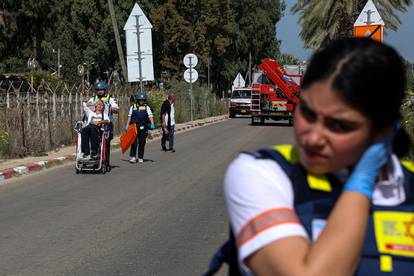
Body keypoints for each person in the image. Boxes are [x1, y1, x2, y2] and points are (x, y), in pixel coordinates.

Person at [213, 38, 414, 276]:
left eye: (339, 125)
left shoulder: (406, 186)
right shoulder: (262, 174)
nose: (314, 138)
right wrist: (363, 179)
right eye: (307, 112)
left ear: (382, 129)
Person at [88, 81, 119, 163]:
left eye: (101, 89)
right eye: (98, 90)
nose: (100, 91)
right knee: (94, 141)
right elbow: (88, 107)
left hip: (106, 124)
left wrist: (110, 108)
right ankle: (96, 158)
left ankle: (106, 161)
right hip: (95, 123)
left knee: (106, 143)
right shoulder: (93, 99)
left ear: (105, 90)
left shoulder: (110, 99)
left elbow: (116, 109)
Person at [125, 91, 155, 163]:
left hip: (143, 126)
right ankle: (133, 157)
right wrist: (127, 125)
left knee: (142, 142)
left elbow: (150, 116)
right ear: (137, 100)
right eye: (140, 100)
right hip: (134, 126)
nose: (141, 101)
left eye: (143, 100)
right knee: (133, 142)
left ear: (144, 100)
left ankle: (140, 157)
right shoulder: (133, 107)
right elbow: (129, 116)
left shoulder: (146, 107)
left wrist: (152, 123)